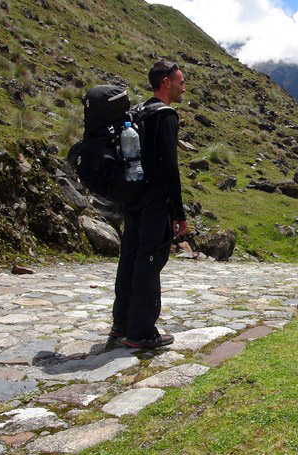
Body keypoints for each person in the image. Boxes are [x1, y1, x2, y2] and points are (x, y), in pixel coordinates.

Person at [108, 59, 189, 348]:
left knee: (129, 257)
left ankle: (121, 323)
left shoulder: (138, 112)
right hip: (155, 201)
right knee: (150, 261)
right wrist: (179, 213)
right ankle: (141, 331)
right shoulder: (165, 116)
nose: (183, 86)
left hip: (133, 197)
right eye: (180, 81)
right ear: (166, 82)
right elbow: (170, 167)